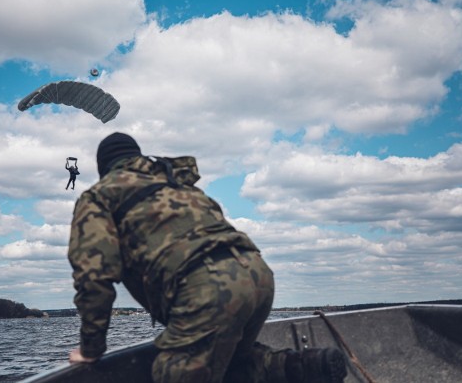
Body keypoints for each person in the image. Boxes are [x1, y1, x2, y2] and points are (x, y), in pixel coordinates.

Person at [67, 132, 347, 383]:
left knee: (171, 374)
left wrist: (91, 349)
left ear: (104, 167)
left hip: (206, 287)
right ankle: (304, 367)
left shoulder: (99, 197)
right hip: (256, 273)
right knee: (234, 364)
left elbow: (93, 276)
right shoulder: (177, 185)